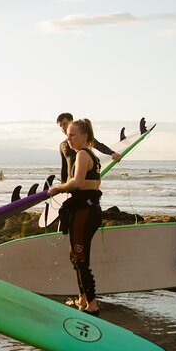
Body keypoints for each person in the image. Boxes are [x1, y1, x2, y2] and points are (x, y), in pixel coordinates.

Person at [48, 119, 103, 315]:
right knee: (77, 256)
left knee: (80, 258)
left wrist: (57, 188)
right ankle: (82, 299)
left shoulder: (82, 154)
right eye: (67, 134)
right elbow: (90, 183)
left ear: (84, 136)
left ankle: (93, 305)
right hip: (90, 210)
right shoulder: (93, 156)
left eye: (72, 135)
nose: (68, 138)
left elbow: (77, 183)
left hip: (84, 212)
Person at [56, 113, 121, 183]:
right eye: (60, 125)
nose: (63, 127)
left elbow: (99, 145)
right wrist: (63, 184)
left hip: (85, 180)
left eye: (65, 124)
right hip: (71, 182)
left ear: (72, 121)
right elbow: (64, 167)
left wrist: (112, 153)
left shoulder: (83, 138)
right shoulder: (62, 145)